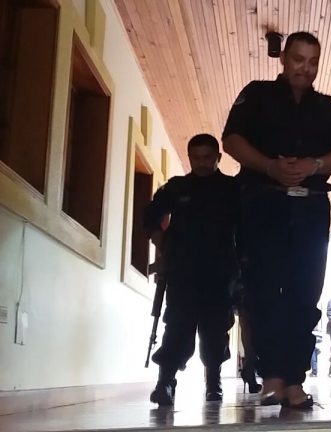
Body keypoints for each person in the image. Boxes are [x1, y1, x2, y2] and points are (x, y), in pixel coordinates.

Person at [221, 31, 331, 409]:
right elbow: (231, 140)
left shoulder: (326, 106)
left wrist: (315, 165)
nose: (305, 68)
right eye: (298, 59)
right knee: (263, 290)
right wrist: (268, 166)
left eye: (313, 62)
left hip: (310, 208)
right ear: (283, 59)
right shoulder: (257, 94)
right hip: (263, 203)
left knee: (305, 291)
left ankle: (295, 378)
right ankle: (272, 377)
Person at [143, 134, 239, 406]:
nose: (202, 163)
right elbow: (150, 216)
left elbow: (246, 229)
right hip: (182, 271)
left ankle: (213, 382)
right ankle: (165, 382)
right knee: (177, 327)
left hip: (220, 273)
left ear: (218, 157)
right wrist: (161, 243)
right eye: (196, 158)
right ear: (189, 158)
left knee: (215, 331)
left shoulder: (232, 189)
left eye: (207, 157)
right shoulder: (177, 187)